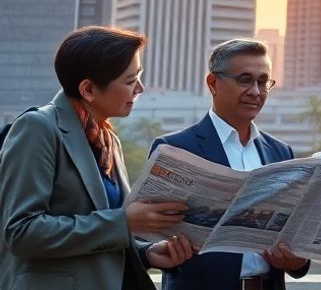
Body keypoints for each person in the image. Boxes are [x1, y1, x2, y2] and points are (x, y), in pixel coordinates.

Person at [0, 26, 194, 290]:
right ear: (88, 89)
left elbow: (102, 234)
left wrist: (147, 252)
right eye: (129, 80)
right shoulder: (38, 128)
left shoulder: (107, 139)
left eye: (139, 76)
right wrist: (123, 222)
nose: (140, 87)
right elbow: (22, 232)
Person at [151, 38, 310, 290]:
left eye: (263, 82)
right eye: (245, 80)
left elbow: (296, 242)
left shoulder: (281, 152)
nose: (256, 92)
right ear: (213, 83)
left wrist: (296, 261)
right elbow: (148, 235)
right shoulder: (174, 149)